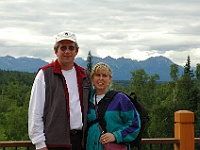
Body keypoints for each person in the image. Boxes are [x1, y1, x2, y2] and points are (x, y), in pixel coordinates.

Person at [28, 31, 91, 150]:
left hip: (80, 142)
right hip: (54, 143)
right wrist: (39, 143)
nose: (67, 51)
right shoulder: (44, 74)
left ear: (76, 51)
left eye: (71, 48)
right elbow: (35, 111)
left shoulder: (85, 75)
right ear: (56, 51)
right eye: (63, 48)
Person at [86, 62, 141, 150]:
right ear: (92, 78)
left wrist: (116, 136)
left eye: (104, 75)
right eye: (97, 75)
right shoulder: (88, 100)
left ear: (110, 79)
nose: (101, 78)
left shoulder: (120, 99)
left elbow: (135, 123)